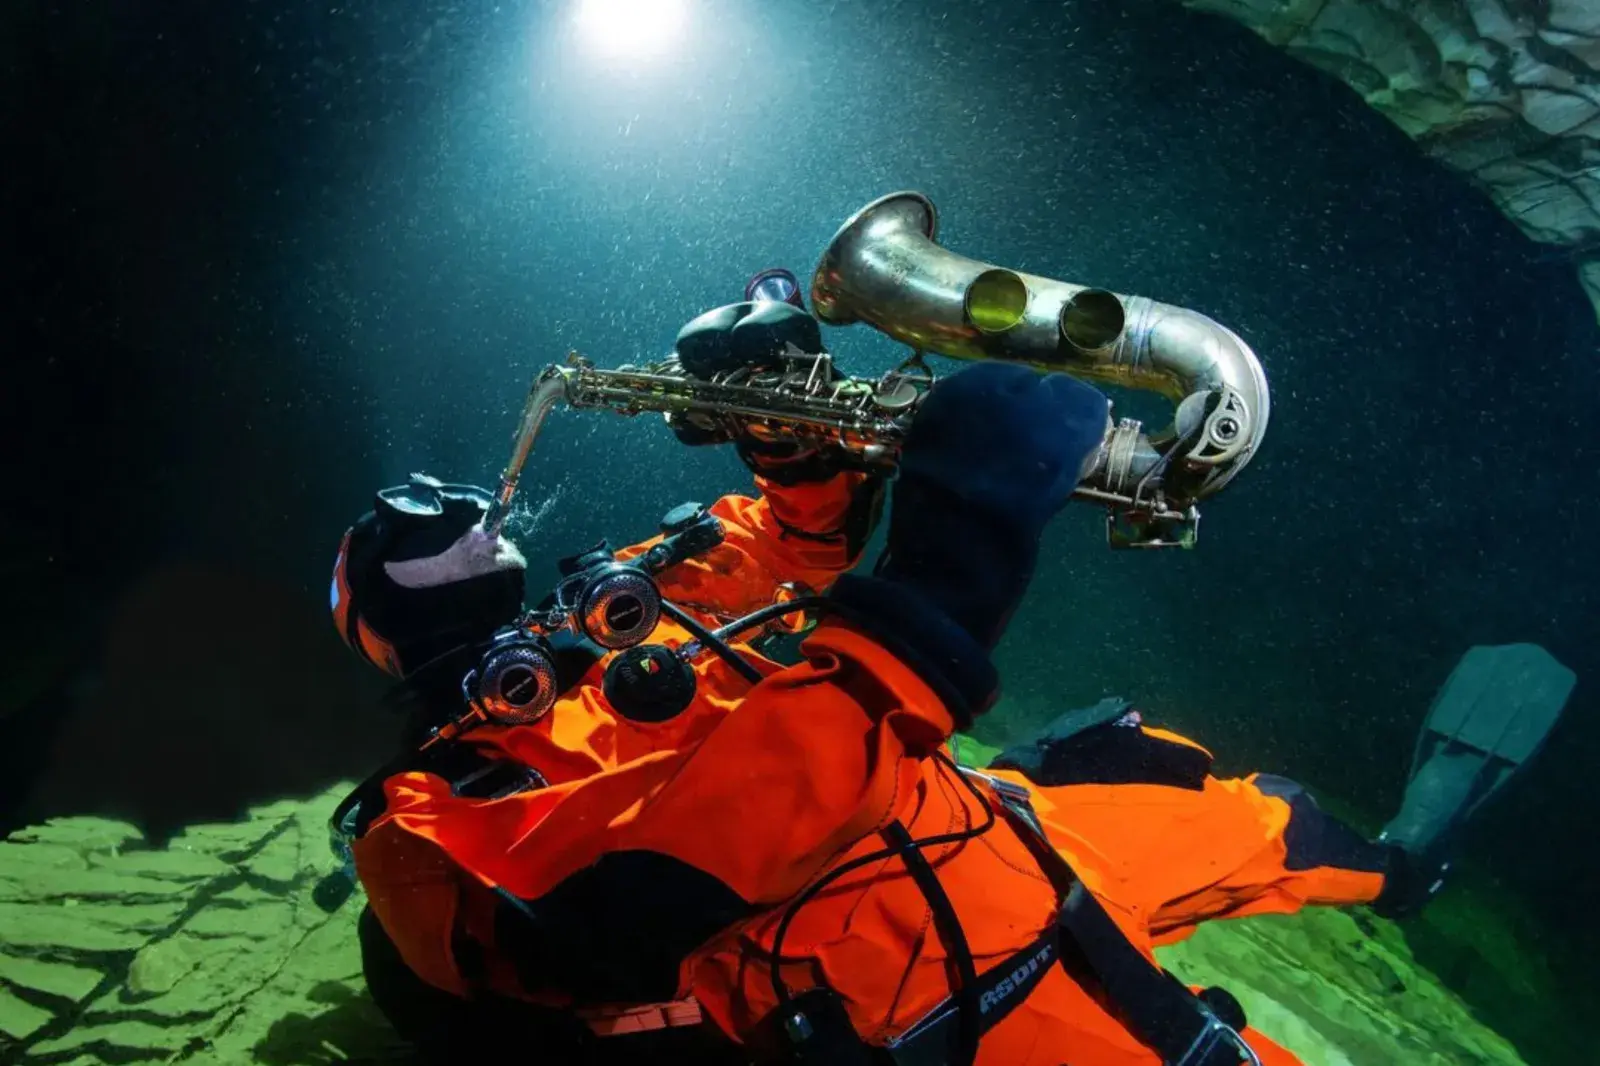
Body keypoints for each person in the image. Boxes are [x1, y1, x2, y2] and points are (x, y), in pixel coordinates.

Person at [329, 278, 1572, 1066]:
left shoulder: (611, 613)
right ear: (385, 630)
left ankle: (1407, 863)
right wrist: (940, 577)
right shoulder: (417, 814)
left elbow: (793, 550)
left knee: (1266, 819)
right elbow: (625, 919)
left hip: (983, 829)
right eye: (405, 548)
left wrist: (788, 432)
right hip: (912, 984)